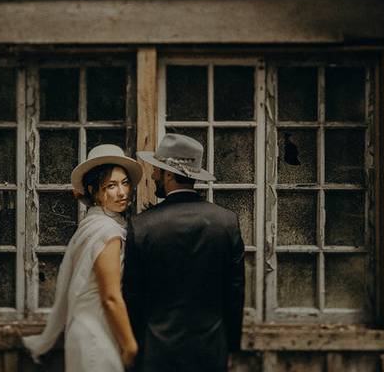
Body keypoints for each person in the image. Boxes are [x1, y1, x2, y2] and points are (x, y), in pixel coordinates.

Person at [123, 133, 245, 372]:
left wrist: (135, 348)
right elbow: (235, 293)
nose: (153, 175)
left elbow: (132, 296)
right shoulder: (227, 222)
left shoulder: (142, 225)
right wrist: (231, 347)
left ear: (168, 174)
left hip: (157, 352)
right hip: (211, 349)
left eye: (157, 170)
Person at [22, 144, 142, 371]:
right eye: (111, 186)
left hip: (88, 330)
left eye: (125, 183)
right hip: (95, 335)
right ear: (93, 191)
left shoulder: (92, 224)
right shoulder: (107, 231)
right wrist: (130, 346)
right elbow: (110, 297)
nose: (122, 192)